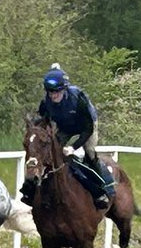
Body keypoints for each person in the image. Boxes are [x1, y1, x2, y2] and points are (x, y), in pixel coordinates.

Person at [20, 63, 115, 210]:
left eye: (57, 92)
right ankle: (38, 189)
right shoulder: (46, 102)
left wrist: (73, 147)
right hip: (65, 127)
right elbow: (42, 119)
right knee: (52, 153)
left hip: (86, 126)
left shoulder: (79, 99)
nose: (53, 95)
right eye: (50, 92)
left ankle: (102, 189)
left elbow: (88, 128)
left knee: (89, 153)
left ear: (64, 89)